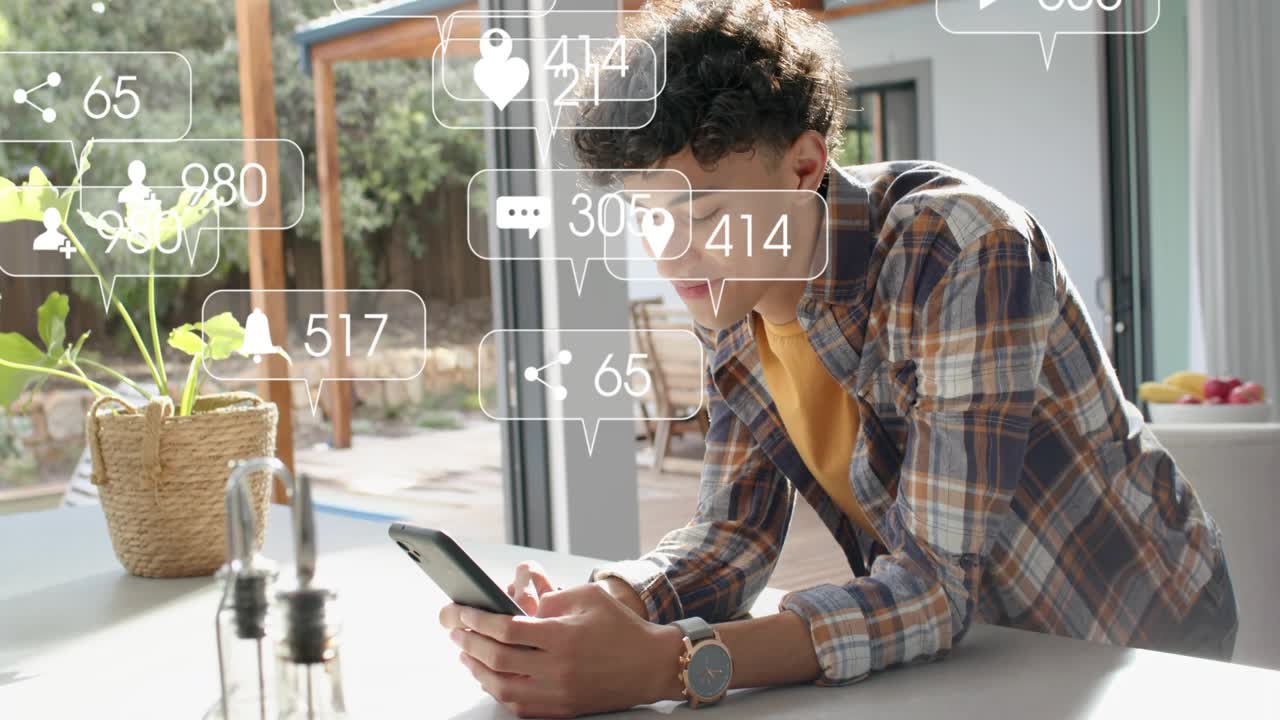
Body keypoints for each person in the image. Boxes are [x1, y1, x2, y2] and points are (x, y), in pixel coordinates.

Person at [439, 1, 1236, 717]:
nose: (669, 250)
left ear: (805, 165)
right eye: (645, 215)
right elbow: (731, 537)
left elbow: (929, 586)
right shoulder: (735, 288)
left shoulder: (961, 248)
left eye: (700, 210)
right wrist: (606, 605)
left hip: (1131, 633)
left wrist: (669, 665)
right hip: (974, 653)